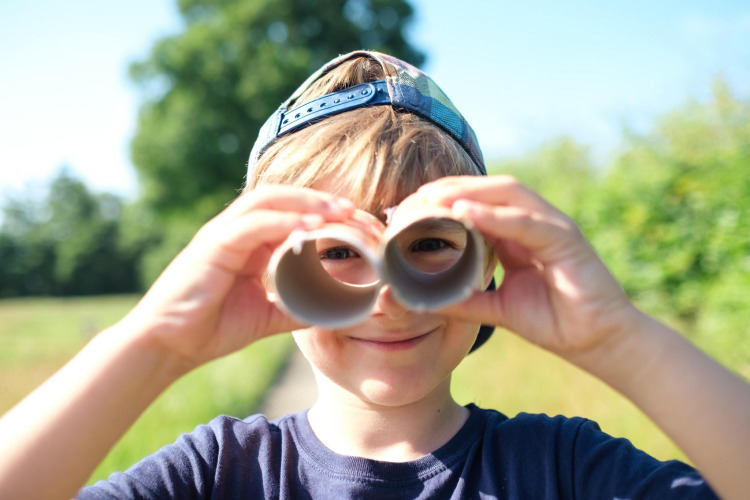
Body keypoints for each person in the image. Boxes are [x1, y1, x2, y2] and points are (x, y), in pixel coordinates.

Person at [0, 51, 748, 500]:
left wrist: (619, 338)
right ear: (269, 271)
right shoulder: (216, 475)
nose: (387, 296)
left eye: (428, 245)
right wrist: (155, 341)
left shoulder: (567, 471)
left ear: (486, 257)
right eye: (336, 251)